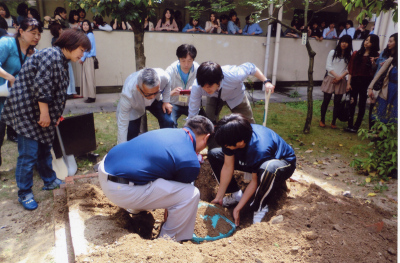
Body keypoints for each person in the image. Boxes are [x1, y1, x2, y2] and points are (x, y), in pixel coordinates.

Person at [1, 29, 91, 210]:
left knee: (44, 148)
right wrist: (45, 113)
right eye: (81, 50)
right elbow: (42, 87)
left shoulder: (62, 59)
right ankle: (24, 193)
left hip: (42, 113)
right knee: (29, 154)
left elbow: (55, 90)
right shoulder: (51, 55)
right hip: (28, 112)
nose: (82, 54)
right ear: (71, 45)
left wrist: (55, 115)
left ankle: (49, 180)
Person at [98, 115, 213, 241]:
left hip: (105, 169)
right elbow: (178, 193)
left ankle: (135, 210)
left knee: (153, 170)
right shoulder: (189, 161)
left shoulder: (170, 131)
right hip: (120, 190)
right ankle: (169, 240)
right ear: (206, 137)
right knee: (191, 194)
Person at [208, 114, 296, 225]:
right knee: (214, 154)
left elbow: (254, 181)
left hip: (282, 163)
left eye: (226, 145)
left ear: (240, 142)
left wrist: (238, 209)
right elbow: (227, 166)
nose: (225, 146)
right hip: (253, 160)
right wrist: (219, 197)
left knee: (267, 170)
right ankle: (235, 195)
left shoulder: (259, 149)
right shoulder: (234, 135)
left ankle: (260, 207)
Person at [0, 18, 42, 167]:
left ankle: (33, 164)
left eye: (39, 33)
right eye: (33, 33)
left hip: (17, 98)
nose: (37, 36)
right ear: (21, 31)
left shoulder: (34, 52)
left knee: (26, 133)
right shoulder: (6, 43)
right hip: (2, 94)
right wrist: (9, 77)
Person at [188, 61, 275, 124]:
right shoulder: (197, 86)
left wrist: (266, 81)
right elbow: (192, 113)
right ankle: (214, 148)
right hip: (214, 97)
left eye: (209, 86)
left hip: (236, 95)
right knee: (210, 122)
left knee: (247, 122)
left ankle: (254, 144)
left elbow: (251, 67)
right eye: (203, 87)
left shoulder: (234, 75)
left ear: (218, 81)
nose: (206, 89)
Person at [116, 68, 174, 144]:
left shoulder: (163, 76)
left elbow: (168, 81)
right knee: (130, 131)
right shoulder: (128, 95)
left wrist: (166, 101)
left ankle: (169, 144)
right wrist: (121, 146)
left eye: (155, 92)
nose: (152, 96)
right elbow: (122, 124)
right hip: (135, 104)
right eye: (149, 94)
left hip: (156, 101)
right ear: (138, 88)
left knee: (168, 120)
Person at [345, 34, 380, 133]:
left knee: (362, 104)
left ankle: (357, 126)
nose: (366, 42)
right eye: (366, 40)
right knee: (352, 102)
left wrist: (373, 63)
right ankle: (350, 124)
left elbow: (375, 71)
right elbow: (351, 69)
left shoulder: (376, 56)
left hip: (366, 82)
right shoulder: (356, 53)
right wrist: (348, 83)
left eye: (369, 41)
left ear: (374, 43)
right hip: (355, 80)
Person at [319, 35, 353, 129]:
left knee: (337, 102)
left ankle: (333, 121)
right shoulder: (332, 52)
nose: (344, 44)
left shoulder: (349, 56)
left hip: (341, 80)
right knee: (326, 100)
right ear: (339, 42)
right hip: (330, 78)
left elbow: (348, 69)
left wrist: (340, 78)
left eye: (346, 42)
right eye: (342, 41)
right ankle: (322, 120)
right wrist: (337, 76)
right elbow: (328, 66)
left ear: (349, 44)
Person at [166, 44, 199, 128]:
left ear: (193, 60)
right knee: (170, 122)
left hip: (192, 103)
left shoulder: (198, 69)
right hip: (174, 104)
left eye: (189, 61)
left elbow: (203, 86)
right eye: (183, 60)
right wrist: (171, 92)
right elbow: (162, 90)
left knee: (199, 124)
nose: (186, 64)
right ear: (179, 59)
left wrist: (196, 89)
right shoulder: (171, 70)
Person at [368, 33, 397, 125]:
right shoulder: (389, 58)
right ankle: (377, 132)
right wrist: (370, 88)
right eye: (388, 41)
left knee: (394, 113)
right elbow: (378, 73)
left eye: (391, 41)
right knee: (381, 111)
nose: (388, 43)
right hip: (387, 87)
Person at [80, 20, 97, 103]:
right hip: (88, 58)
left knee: (89, 77)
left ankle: (91, 97)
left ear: (89, 26)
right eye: (84, 25)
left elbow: (87, 48)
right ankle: (91, 95)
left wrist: (82, 59)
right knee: (89, 77)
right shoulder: (87, 35)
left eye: (87, 25)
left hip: (88, 59)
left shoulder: (89, 35)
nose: (85, 26)